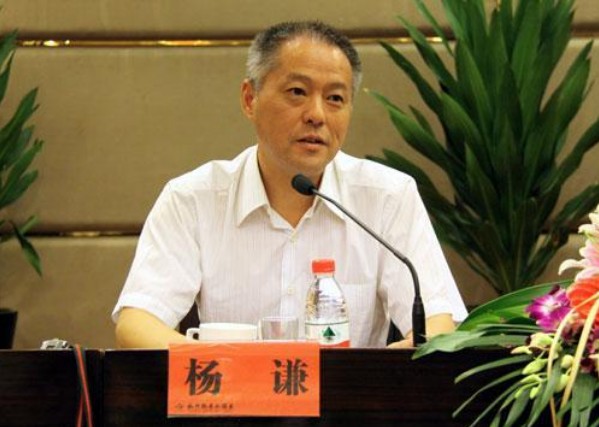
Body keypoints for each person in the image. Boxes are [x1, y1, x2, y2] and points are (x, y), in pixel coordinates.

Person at [113, 21, 467, 349]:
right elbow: (137, 323)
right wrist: (226, 367)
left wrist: (371, 376)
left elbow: (439, 324)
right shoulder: (192, 199)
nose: (317, 115)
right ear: (250, 99)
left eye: (335, 98)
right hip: (232, 395)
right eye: (297, 92)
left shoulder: (388, 197)